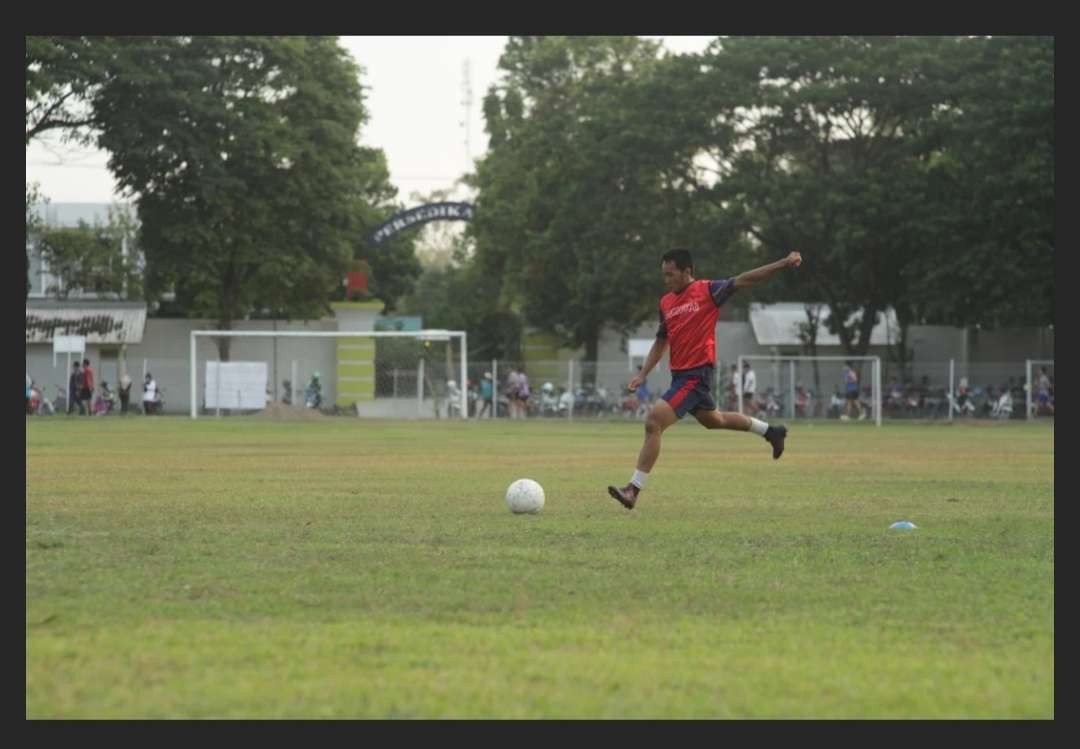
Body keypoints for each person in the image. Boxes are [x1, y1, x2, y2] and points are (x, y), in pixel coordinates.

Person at [607, 248, 801, 509]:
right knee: (714, 419)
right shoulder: (665, 303)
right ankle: (772, 431)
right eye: (663, 275)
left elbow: (746, 279)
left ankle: (633, 489)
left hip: (696, 375)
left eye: (671, 274)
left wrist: (783, 262)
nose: (666, 280)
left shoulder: (708, 291)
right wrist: (643, 374)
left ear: (687, 272)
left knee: (654, 421)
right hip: (680, 376)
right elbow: (661, 341)